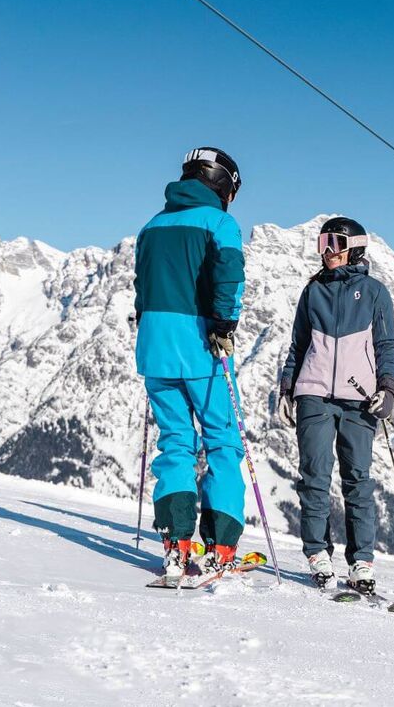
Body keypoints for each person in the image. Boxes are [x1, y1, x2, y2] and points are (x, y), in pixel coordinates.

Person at [133, 147, 247, 578]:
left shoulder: (151, 226)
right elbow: (229, 274)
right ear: (222, 184)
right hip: (201, 346)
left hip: (154, 348)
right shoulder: (219, 222)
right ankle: (221, 544)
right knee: (222, 439)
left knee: (176, 441)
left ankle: (177, 540)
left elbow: (141, 288)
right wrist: (223, 324)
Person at [278, 217, 394, 592]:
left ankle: (361, 560)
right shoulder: (312, 291)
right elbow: (297, 346)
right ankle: (317, 552)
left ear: (356, 247)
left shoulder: (376, 292)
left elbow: (385, 346)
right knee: (314, 476)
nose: (328, 251)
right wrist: (287, 388)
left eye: (336, 242)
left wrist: (387, 389)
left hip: (359, 398)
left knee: (357, 479)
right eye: (322, 243)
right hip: (313, 392)